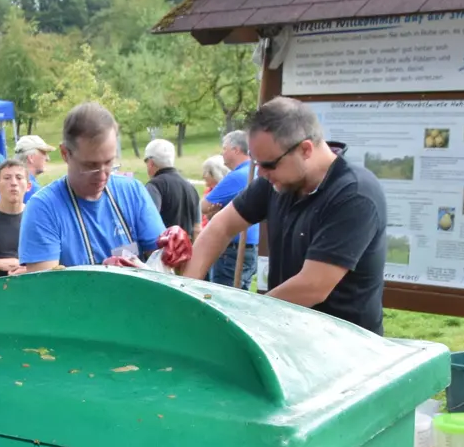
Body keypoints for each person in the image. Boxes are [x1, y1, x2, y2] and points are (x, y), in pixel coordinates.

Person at [181, 97, 388, 334]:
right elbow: (221, 227)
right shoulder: (277, 182)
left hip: (346, 348)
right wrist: (187, 290)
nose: (261, 173)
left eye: (269, 164)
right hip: (291, 335)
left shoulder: (354, 195)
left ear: (305, 149)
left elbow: (312, 286)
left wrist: (242, 319)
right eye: (257, 163)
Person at [18, 102, 189, 271]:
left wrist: (174, 250)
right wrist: (103, 277)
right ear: (65, 154)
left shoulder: (132, 192)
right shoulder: (43, 208)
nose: (102, 175)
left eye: (109, 162)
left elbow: (164, 269)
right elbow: (45, 289)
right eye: (90, 165)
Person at [200, 130, 262, 291]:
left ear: (236, 150)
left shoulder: (238, 176)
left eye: (225, 148)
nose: (222, 153)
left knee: (223, 299)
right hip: (252, 247)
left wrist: (214, 213)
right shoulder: (257, 171)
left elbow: (204, 206)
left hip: (232, 252)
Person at [0, 134, 53, 211]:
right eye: (44, 153)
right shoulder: (31, 188)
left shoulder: (2, 183)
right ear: (31, 158)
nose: (48, 158)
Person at [142, 138, 200, 240]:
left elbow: (148, 223)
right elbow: (197, 229)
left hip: (165, 251)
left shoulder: (154, 186)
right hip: (187, 250)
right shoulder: (191, 187)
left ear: (151, 163)